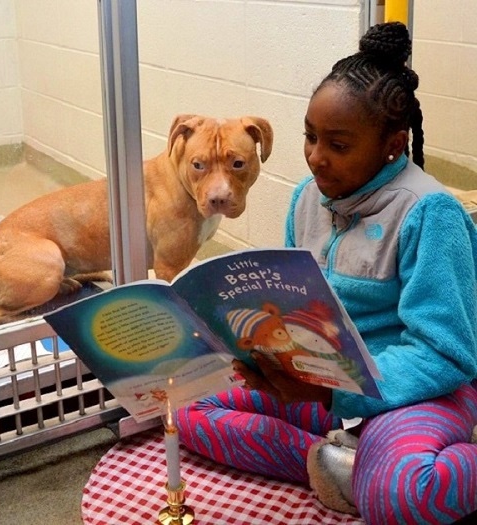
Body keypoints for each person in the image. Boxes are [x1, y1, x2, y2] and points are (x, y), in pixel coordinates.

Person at [173, 22, 477, 524]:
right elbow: (297, 308)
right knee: (190, 407)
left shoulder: (430, 214)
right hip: (325, 386)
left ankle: (379, 463)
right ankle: (334, 463)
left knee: (407, 493)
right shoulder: (306, 199)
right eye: (311, 138)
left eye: (337, 145)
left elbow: (447, 353)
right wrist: (266, 354)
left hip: (413, 393)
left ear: (393, 145)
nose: (316, 157)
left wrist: (331, 392)